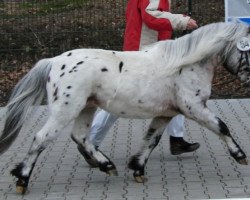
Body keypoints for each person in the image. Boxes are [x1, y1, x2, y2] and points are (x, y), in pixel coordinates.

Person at [79, 0, 200, 167]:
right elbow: (151, 16)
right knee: (117, 100)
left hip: (146, 50)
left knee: (174, 91)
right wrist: (182, 21)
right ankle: (90, 142)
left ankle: (177, 138)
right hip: (145, 54)